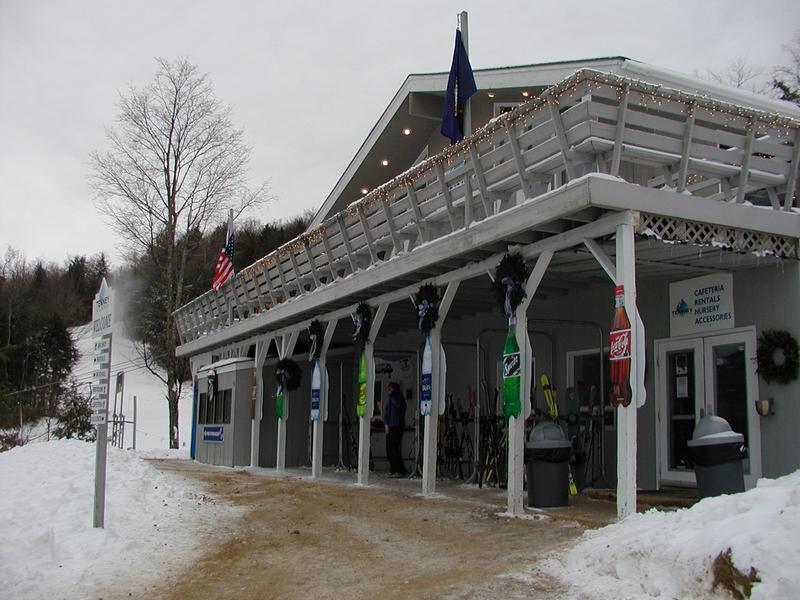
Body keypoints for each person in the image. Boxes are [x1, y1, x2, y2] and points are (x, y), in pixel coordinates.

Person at [383, 382, 407, 477]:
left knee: (394, 449)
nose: (389, 391)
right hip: (391, 425)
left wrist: (393, 395)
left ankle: (399, 470)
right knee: (389, 449)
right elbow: (387, 413)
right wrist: (386, 424)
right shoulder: (390, 399)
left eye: (390, 389)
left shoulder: (398, 397)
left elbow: (399, 406)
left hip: (397, 425)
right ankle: (393, 469)